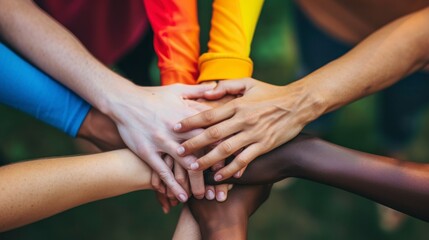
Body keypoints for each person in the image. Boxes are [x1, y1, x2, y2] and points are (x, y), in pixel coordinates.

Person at [175, 5, 429, 182]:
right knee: (313, 71)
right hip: (326, 15)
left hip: (420, 48)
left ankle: (393, 152)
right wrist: (225, 69)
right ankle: (305, 136)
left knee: (403, 109)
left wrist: (299, 102)